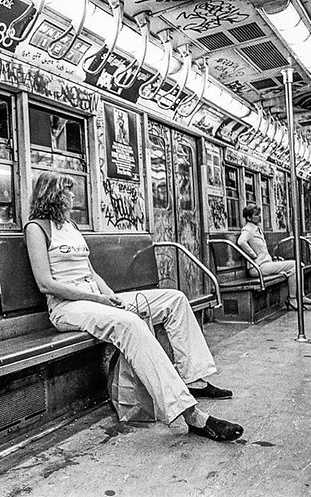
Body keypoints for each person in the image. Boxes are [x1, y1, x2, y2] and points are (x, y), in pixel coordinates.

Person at [24, 171, 243, 442]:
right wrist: (99, 301)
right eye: (67, 191)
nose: (72, 196)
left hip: (96, 299)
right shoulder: (36, 228)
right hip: (68, 307)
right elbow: (46, 283)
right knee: (131, 324)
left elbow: (90, 272)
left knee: (174, 299)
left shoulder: (71, 226)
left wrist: (111, 296)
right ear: (53, 196)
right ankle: (191, 414)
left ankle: (193, 378)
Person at [237, 204, 311, 310]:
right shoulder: (247, 229)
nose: (260, 217)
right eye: (256, 215)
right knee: (295, 265)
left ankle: (300, 296)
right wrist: (252, 255)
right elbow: (241, 241)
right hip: (258, 267)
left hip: (266, 264)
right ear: (248, 218)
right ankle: (292, 299)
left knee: (299, 265)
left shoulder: (257, 229)